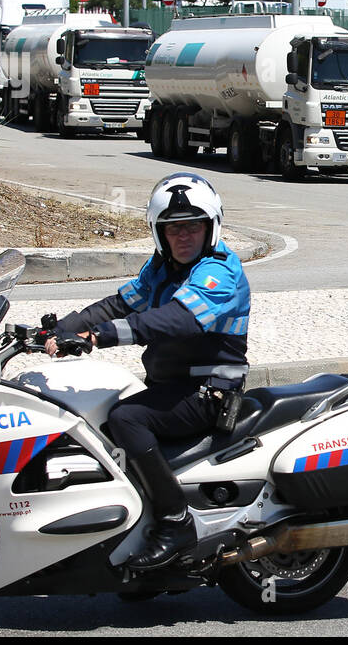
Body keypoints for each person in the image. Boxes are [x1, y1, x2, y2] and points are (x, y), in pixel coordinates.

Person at [46, 173, 251, 569]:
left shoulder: (220, 271)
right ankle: (135, 528)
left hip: (208, 393)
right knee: (95, 419)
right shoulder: (161, 269)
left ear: (211, 227)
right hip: (174, 388)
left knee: (126, 418)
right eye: (174, 228)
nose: (184, 235)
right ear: (161, 233)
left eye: (193, 225)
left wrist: (97, 338)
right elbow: (120, 303)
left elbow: (178, 319)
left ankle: (175, 524)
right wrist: (62, 328)